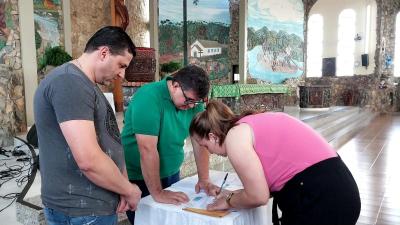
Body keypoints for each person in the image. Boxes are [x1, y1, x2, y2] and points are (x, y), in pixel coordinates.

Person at [34, 26, 142, 225]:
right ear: (103, 53)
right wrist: (130, 190)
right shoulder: (69, 82)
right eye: (121, 65)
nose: (122, 75)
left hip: (92, 209)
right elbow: (88, 159)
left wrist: (122, 184)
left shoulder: (85, 83)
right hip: (79, 212)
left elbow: (110, 141)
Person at [189, 100, 361, 225]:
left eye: (205, 146)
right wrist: (235, 195)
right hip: (338, 188)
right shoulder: (247, 124)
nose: (209, 152)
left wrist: (228, 201)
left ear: (212, 136)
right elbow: (274, 176)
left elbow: (258, 196)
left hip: (321, 198)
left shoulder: (235, 137)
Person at [122, 65, 217, 224]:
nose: (192, 106)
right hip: (139, 176)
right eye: (189, 100)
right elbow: (147, 149)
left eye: (197, 102)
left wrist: (204, 179)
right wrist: (158, 193)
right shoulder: (148, 97)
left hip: (171, 173)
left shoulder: (193, 100)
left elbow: (199, 142)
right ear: (175, 85)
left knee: (173, 219)